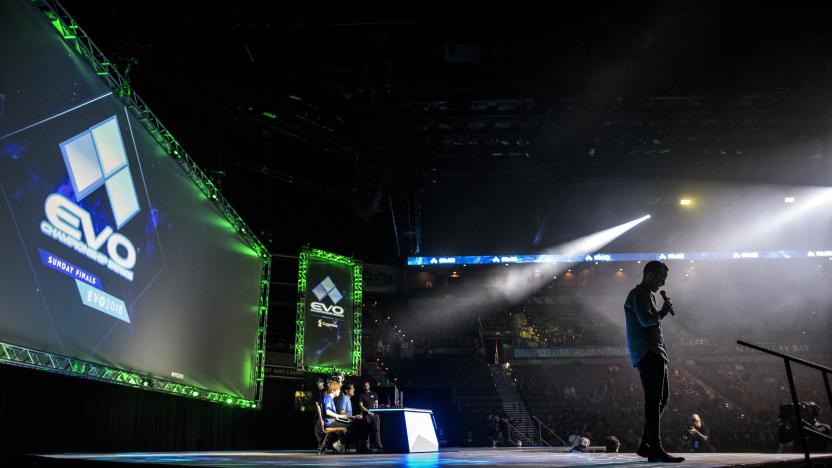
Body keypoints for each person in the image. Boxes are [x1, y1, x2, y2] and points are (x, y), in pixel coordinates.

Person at [624, 260, 685, 463]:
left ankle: (646, 444)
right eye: (661, 278)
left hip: (655, 352)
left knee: (661, 398)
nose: (663, 284)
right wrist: (662, 313)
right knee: (654, 400)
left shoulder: (646, 295)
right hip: (647, 353)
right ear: (649, 274)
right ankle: (655, 448)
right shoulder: (638, 295)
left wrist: (660, 313)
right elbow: (646, 321)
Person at [321, 378, 350, 453]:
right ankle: (339, 443)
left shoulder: (330, 399)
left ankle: (340, 443)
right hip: (330, 422)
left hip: (332, 421)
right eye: (338, 390)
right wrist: (339, 416)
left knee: (349, 423)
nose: (339, 391)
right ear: (333, 390)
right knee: (350, 425)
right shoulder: (328, 398)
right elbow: (327, 412)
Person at [338, 383, 369, 452]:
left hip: (349, 421)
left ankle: (361, 446)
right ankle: (360, 447)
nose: (354, 390)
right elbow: (341, 414)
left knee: (365, 423)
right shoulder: (344, 399)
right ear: (346, 390)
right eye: (352, 389)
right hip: (344, 422)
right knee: (363, 424)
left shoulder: (348, 399)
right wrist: (354, 417)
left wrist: (355, 417)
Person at [358, 380, 384, 450]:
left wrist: (375, 411)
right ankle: (366, 447)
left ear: (369, 386)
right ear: (363, 387)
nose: (366, 387)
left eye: (367, 385)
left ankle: (379, 445)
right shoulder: (362, 395)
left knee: (377, 430)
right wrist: (368, 411)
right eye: (365, 386)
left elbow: (376, 403)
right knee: (366, 431)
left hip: (374, 415)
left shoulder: (374, 393)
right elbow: (361, 405)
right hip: (366, 415)